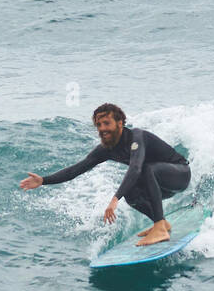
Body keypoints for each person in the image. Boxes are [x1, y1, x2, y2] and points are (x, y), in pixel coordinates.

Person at [20, 103, 191, 246]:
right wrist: (43, 180)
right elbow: (76, 169)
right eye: (99, 125)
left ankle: (160, 227)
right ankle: (160, 222)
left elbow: (136, 168)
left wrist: (115, 199)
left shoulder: (136, 138)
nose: (102, 129)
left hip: (179, 174)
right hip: (159, 185)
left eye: (106, 123)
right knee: (130, 193)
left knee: (145, 170)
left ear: (120, 123)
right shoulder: (105, 150)